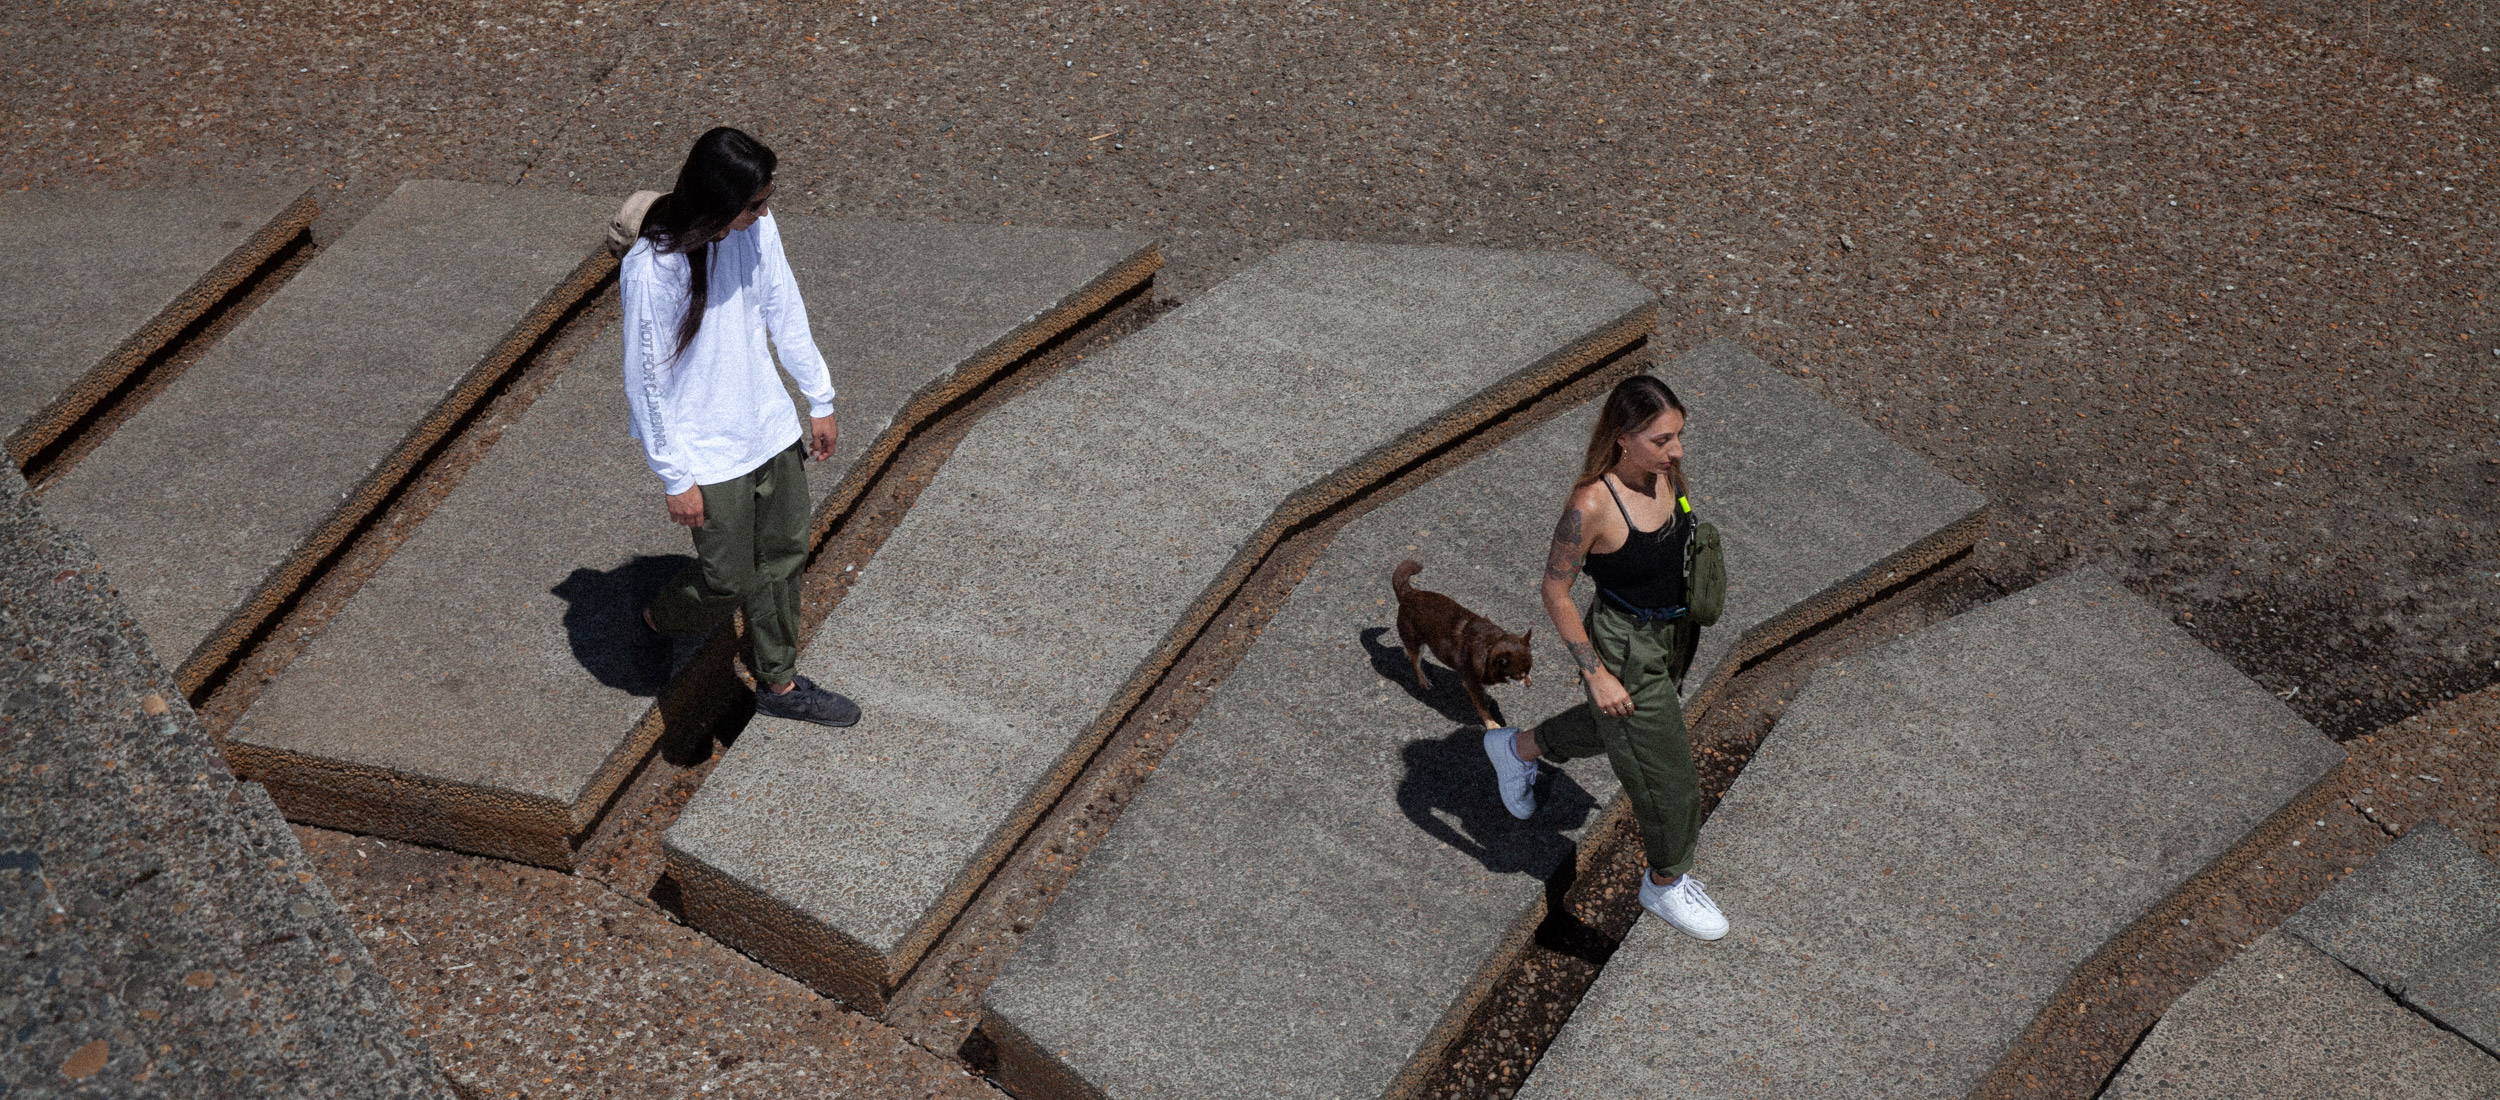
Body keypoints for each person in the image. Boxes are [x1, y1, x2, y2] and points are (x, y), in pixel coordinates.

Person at [621, 126, 858, 728]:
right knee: (727, 580)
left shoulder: (755, 230)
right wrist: (675, 477)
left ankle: (779, 681)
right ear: (718, 202)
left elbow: (784, 304)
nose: (765, 213)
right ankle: (659, 617)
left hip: (769, 428)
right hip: (707, 450)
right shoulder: (653, 270)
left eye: (766, 199)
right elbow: (645, 381)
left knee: (784, 556)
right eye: (755, 204)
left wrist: (819, 397)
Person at [1484, 375, 1726, 940]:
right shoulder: (1591, 504)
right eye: (1662, 440)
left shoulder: (1665, 474)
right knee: (1670, 778)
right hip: (1625, 645)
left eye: (1679, 436)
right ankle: (1665, 882)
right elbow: (1555, 591)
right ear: (1622, 438)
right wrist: (1595, 673)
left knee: (1617, 726)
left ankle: (1516, 748)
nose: (1677, 451)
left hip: (1672, 634)